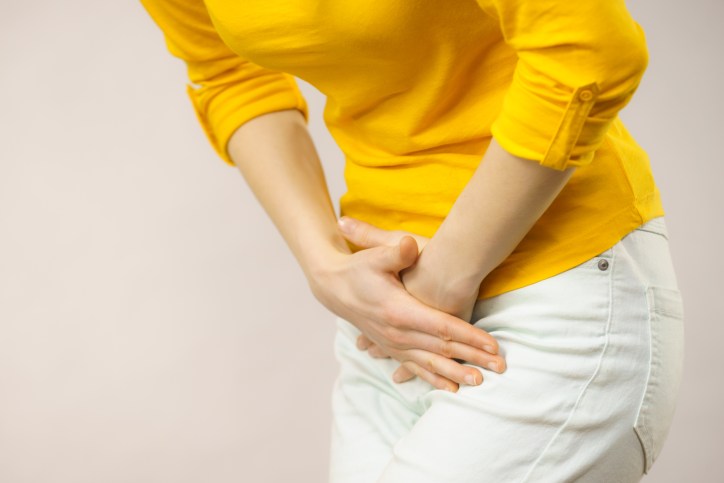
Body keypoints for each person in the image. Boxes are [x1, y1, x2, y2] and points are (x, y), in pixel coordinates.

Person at [140, 0, 685, 481]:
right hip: (383, 326)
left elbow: (590, 52)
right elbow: (227, 74)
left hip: (556, 289)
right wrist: (326, 269)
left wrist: (447, 274)